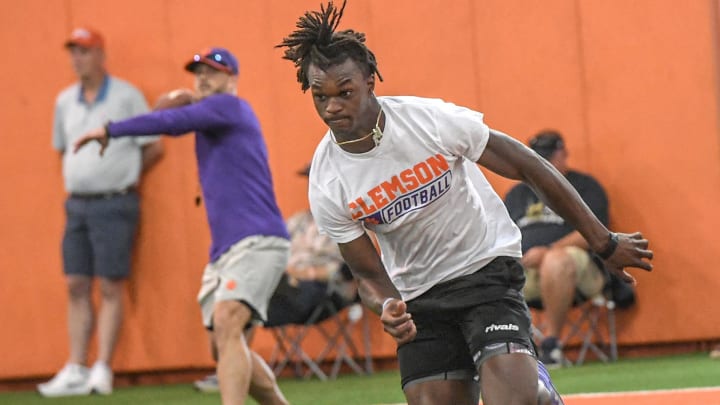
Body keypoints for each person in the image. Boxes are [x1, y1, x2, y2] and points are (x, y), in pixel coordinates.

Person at [276, 2, 654, 405]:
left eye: (344, 92)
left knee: (513, 402)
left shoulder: (429, 120)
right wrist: (387, 305)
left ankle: (532, 388)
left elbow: (529, 166)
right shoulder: (327, 179)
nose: (332, 107)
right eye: (320, 96)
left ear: (370, 81)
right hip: (420, 298)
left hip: (485, 271)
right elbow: (366, 271)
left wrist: (604, 243)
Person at [73, 47, 290, 405]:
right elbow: (173, 119)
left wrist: (111, 130)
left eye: (213, 71)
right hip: (226, 250)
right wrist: (183, 107)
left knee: (226, 323)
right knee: (224, 345)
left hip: (258, 240)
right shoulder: (211, 116)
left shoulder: (230, 106)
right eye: (198, 71)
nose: (203, 78)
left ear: (233, 79)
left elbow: (168, 122)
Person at [38, 27, 164, 397]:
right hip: (77, 203)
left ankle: (102, 368)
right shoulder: (64, 101)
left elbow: (152, 147)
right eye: (73, 52)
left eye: (85, 51)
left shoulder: (127, 96)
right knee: (76, 283)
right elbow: (64, 149)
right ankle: (76, 366)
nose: (78, 59)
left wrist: (121, 175)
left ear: (100, 54)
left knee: (110, 285)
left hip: (115, 202)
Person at [194, 163, 357, 392]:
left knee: (245, 296)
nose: (315, 186)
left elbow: (343, 270)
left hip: (319, 293)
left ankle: (230, 368)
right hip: (281, 288)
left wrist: (296, 274)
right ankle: (230, 367)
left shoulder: (346, 221)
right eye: (312, 181)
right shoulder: (297, 221)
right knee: (243, 293)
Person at [504, 130, 612, 368]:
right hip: (526, 270)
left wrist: (548, 250)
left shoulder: (584, 187)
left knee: (556, 259)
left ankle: (551, 345)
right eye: (536, 157)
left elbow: (596, 233)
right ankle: (501, 355)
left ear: (563, 154)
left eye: (548, 157)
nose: (542, 163)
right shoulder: (517, 194)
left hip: (579, 269)